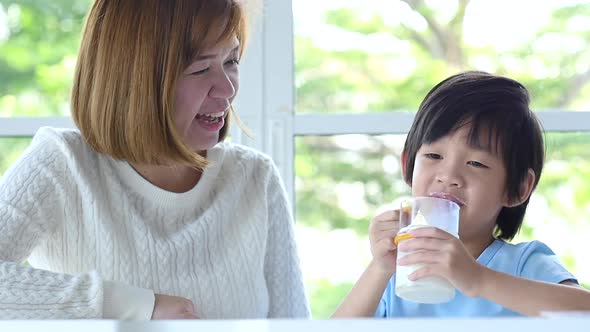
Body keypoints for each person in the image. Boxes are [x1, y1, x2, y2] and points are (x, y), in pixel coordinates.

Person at [0, 0, 309, 320]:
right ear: (133, 78)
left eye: (231, 60)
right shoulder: (62, 165)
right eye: (202, 68)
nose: (227, 89)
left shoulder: (254, 178)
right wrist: (134, 306)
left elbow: (294, 322)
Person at [333, 71, 590, 317]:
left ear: (518, 188)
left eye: (476, 163)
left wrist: (478, 279)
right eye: (434, 156)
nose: (449, 176)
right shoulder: (397, 273)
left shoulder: (524, 263)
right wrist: (380, 268)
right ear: (408, 166)